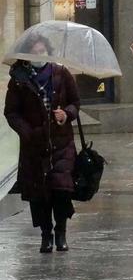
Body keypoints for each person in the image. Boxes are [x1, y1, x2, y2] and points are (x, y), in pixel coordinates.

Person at [4, 36, 80, 253]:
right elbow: (11, 112)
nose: (39, 56)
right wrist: (28, 133)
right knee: (40, 194)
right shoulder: (19, 79)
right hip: (35, 147)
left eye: (42, 51)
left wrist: (66, 114)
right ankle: (46, 234)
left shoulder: (61, 73)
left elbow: (76, 103)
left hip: (61, 143)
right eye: (35, 52)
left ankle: (61, 232)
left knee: (61, 190)